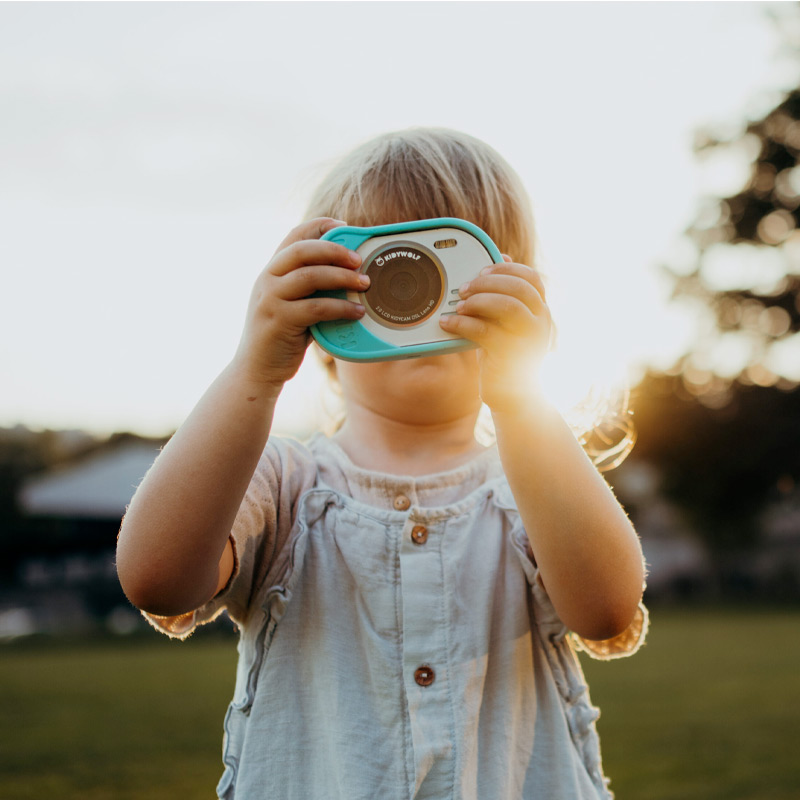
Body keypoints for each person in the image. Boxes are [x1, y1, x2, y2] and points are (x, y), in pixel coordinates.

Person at [116, 128, 648, 800]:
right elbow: (157, 579)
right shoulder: (283, 484)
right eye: (389, 271)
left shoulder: (533, 486)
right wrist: (255, 371)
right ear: (322, 311)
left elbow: (605, 608)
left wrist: (520, 398)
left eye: (454, 266)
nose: (419, 296)